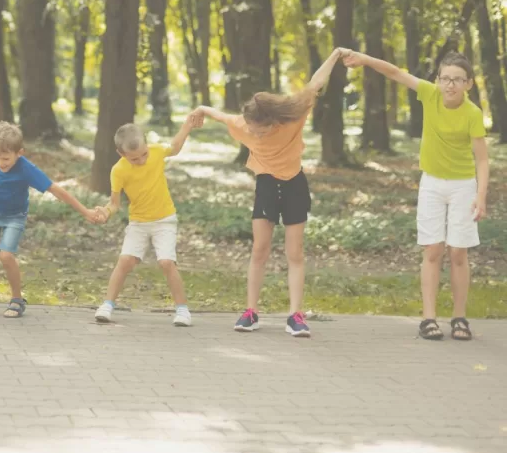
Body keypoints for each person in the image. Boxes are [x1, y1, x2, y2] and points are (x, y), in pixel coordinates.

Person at [195, 48, 348, 338]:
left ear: (273, 120)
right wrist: (201, 110)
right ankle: (251, 312)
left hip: (294, 185)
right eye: (251, 130)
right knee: (260, 249)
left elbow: (315, 84)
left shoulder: (292, 116)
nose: (256, 135)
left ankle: (295, 315)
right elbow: (219, 115)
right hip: (266, 184)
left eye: (261, 131)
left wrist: (335, 55)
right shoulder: (243, 124)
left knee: (295, 252)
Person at [344, 50, 488, 340]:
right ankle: (429, 319)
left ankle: (460, 318)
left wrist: (481, 196)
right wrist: (364, 59)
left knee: (459, 252)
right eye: (445, 78)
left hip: (463, 185)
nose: (450, 85)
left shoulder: (472, 113)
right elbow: (396, 73)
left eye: (458, 80)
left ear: (468, 84)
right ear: (437, 80)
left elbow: (482, 159)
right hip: (432, 183)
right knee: (433, 250)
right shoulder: (429, 94)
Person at [0, 121, 104, 318]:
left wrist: (85, 211)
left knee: (5, 256)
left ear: (19, 153)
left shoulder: (27, 169)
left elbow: (56, 190)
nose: (0, 163)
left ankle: (17, 301)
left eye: (5, 159)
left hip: (15, 218)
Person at [93, 113, 202, 326]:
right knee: (125, 261)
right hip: (139, 223)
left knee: (166, 262)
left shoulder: (157, 152)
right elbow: (115, 203)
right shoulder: (118, 171)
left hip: (165, 220)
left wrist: (188, 125)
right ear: (121, 153)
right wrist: (106, 212)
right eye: (134, 158)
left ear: (146, 144)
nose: (141, 160)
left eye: (144, 154)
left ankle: (182, 310)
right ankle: (107, 305)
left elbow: (175, 146)